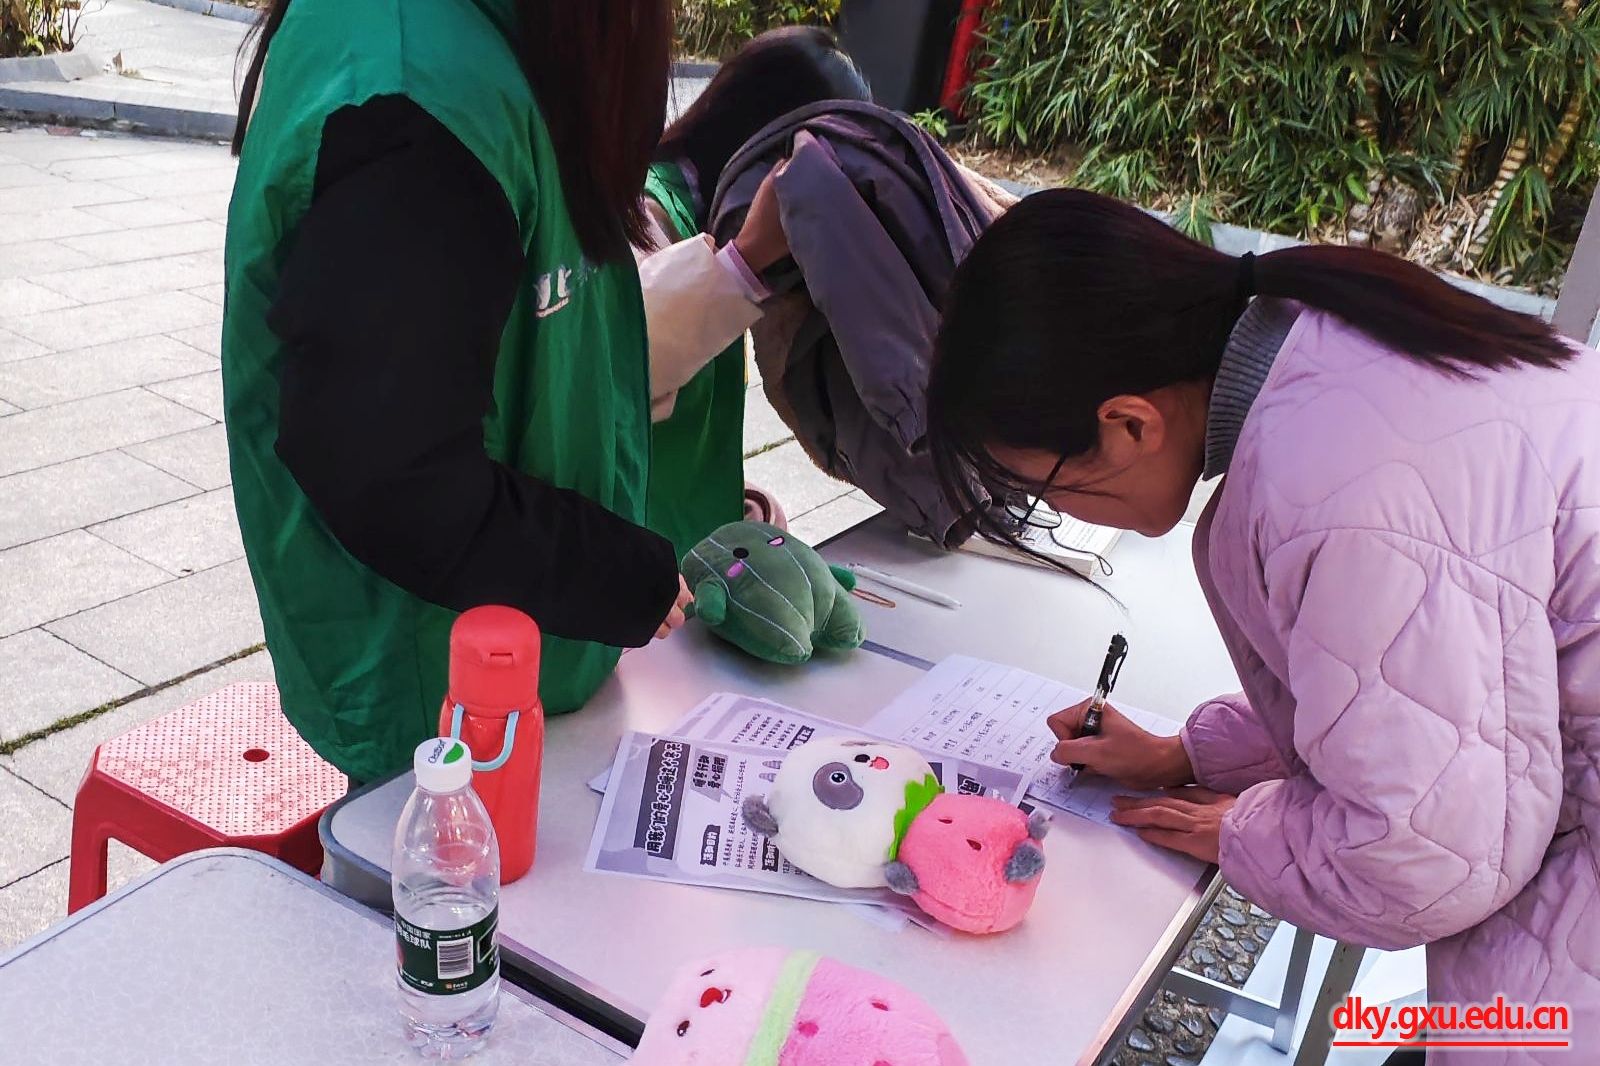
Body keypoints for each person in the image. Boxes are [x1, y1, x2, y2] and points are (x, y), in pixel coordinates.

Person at [925, 189, 1598, 1063]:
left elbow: (1424, 860)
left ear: (1128, 423)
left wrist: (1242, 828)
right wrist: (1189, 754)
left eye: (1038, 485)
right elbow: (1414, 685)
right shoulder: (1328, 348)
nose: (1054, 509)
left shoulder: (1339, 493)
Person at [222, 0, 692, 784]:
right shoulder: (421, 101)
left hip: (509, 658)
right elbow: (393, 478)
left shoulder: (485, 49)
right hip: (446, 694)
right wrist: (618, 575)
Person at [635, 27, 870, 560]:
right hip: (636, 570)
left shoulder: (708, 214)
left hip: (692, 546)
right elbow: (621, 363)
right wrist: (745, 261)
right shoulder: (647, 210)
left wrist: (739, 502)